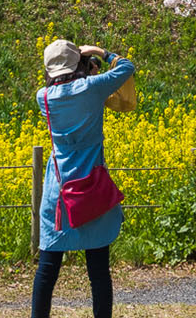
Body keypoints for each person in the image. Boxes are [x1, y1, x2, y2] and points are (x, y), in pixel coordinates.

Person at [34, 40, 134, 318]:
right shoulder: (92, 87)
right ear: (78, 63)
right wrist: (101, 53)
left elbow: (67, 92)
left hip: (59, 191)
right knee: (99, 271)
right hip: (92, 188)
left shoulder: (43, 97)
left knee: (47, 269)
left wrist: (81, 70)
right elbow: (127, 67)